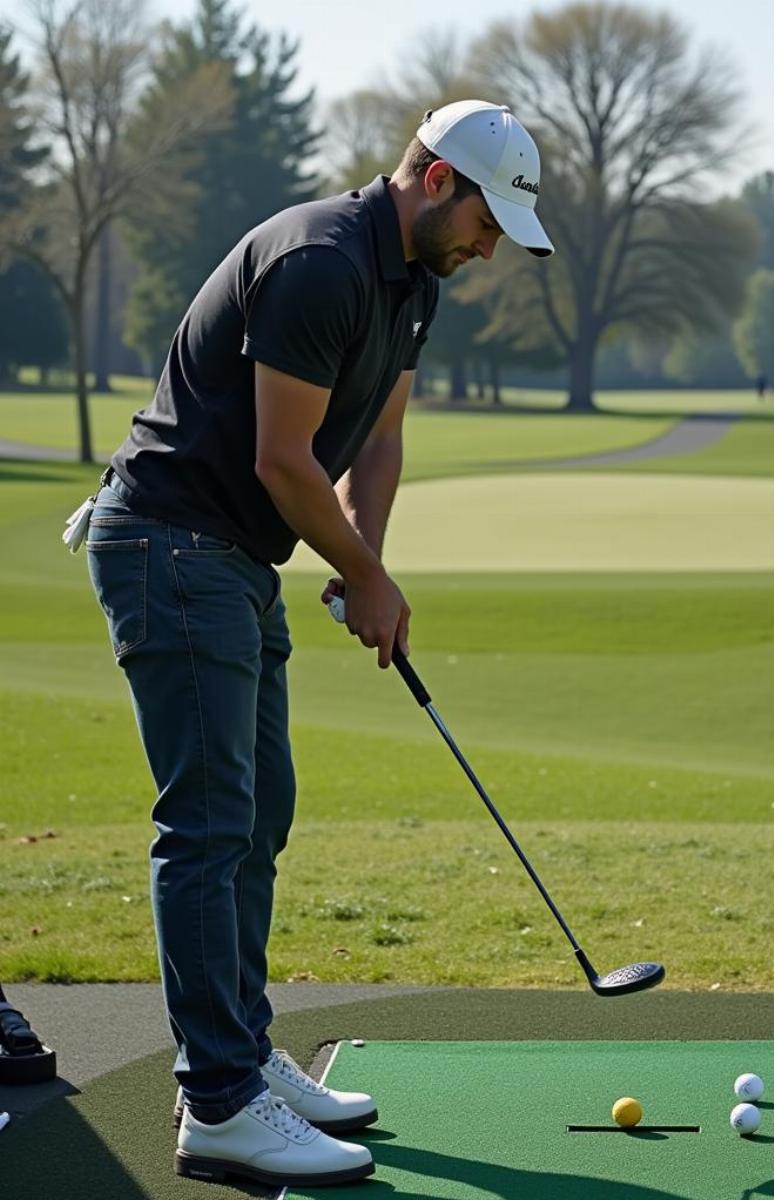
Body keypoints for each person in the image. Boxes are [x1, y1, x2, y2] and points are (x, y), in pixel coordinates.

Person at [72, 100, 553, 1189]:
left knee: (261, 810)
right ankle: (220, 1103)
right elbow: (284, 460)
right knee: (207, 823)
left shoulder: (413, 286)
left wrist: (360, 557)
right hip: (169, 544)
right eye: (487, 219)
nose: (490, 247)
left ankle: (241, 1054)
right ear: (435, 180)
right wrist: (374, 580)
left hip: (232, 563)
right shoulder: (319, 263)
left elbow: (377, 438)